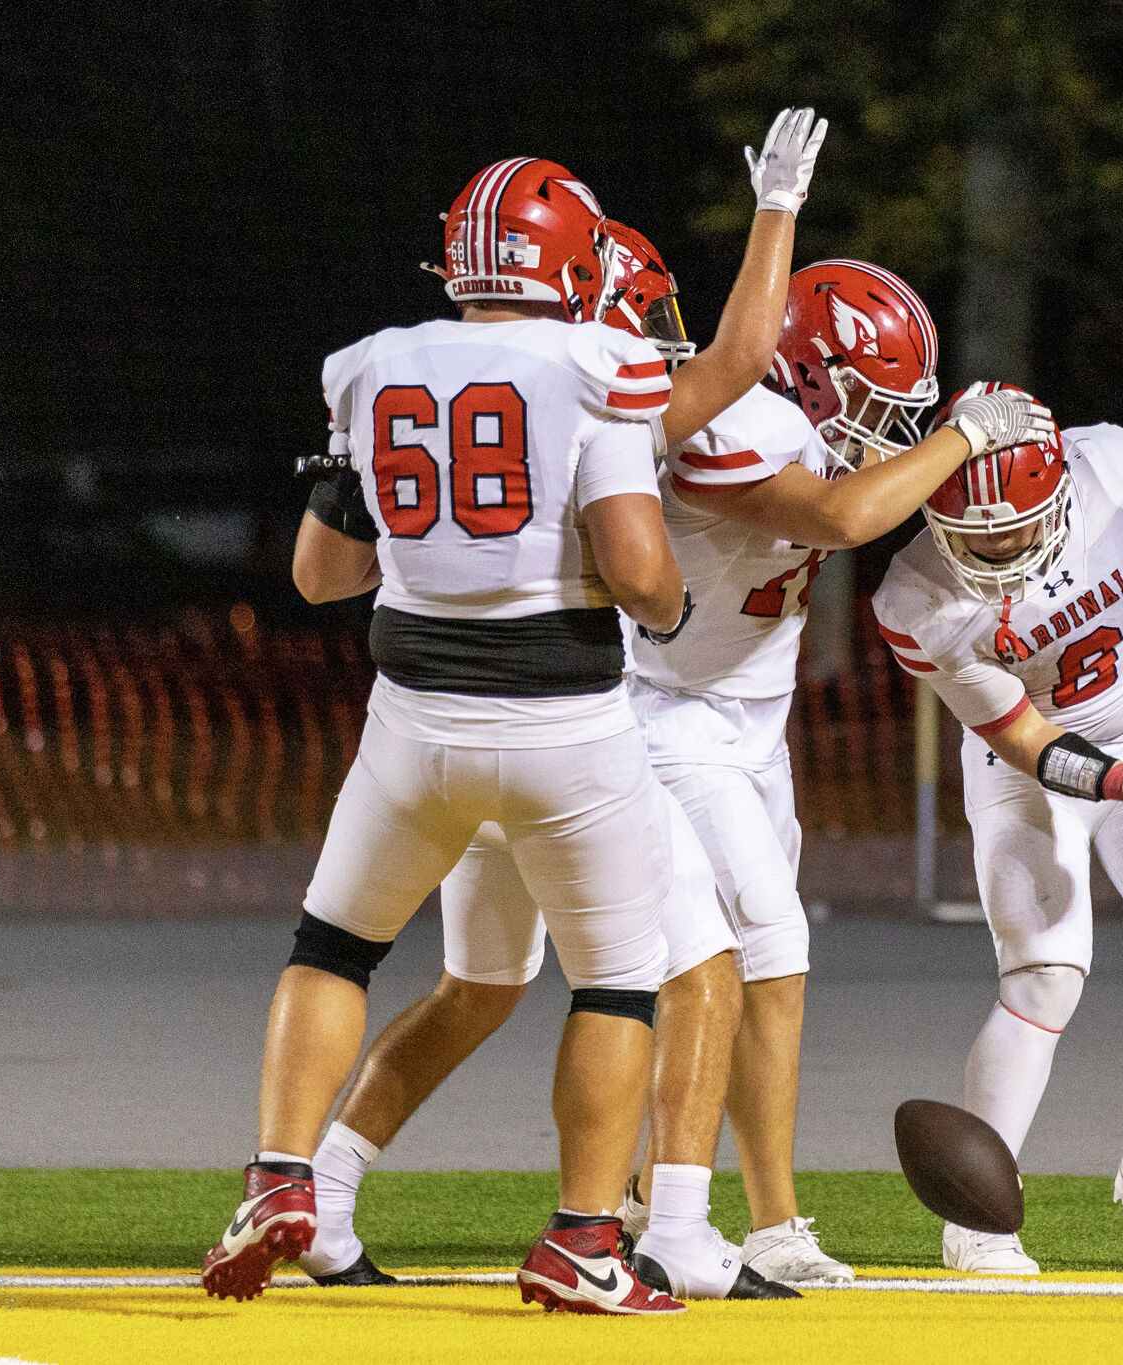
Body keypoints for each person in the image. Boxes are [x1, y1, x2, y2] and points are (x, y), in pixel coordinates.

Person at [293, 238, 1054, 1292]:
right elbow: (830, 517)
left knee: (474, 983)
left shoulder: (509, 395)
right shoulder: (710, 419)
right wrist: (964, 433)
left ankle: (316, 1191)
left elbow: (327, 568)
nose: (658, 339)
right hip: (626, 723)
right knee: (706, 964)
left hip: (506, 719)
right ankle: (685, 1223)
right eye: (873, 398)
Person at [204, 108, 826, 1314]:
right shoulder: (594, 368)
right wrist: (777, 210)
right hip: (561, 725)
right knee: (620, 985)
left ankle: (283, 1175)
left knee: (335, 948)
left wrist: (445, 547)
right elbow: (650, 563)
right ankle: (586, 1240)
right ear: (574, 267)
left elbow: (320, 578)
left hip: (407, 722)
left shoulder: (368, 364)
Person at [871, 387, 1123, 1272]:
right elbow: (1027, 740)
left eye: (1017, 528)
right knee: (1046, 976)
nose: (999, 550)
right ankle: (976, 1217)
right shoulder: (916, 597)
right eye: (977, 535)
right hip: (1021, 767)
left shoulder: (1115, 474)